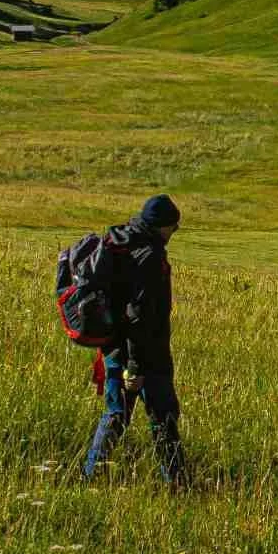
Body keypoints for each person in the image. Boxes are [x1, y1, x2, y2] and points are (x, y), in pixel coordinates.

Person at [81, 193, 188, 486]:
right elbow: (140, 319)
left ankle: (91, 476)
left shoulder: (123, 240)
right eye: (173, 226)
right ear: (160, 225)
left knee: (116, 414)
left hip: (114, 347)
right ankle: (177, 484)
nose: (174, 232)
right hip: (144, 356)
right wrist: (136, 367)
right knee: (163, 418)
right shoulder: (150, 257)